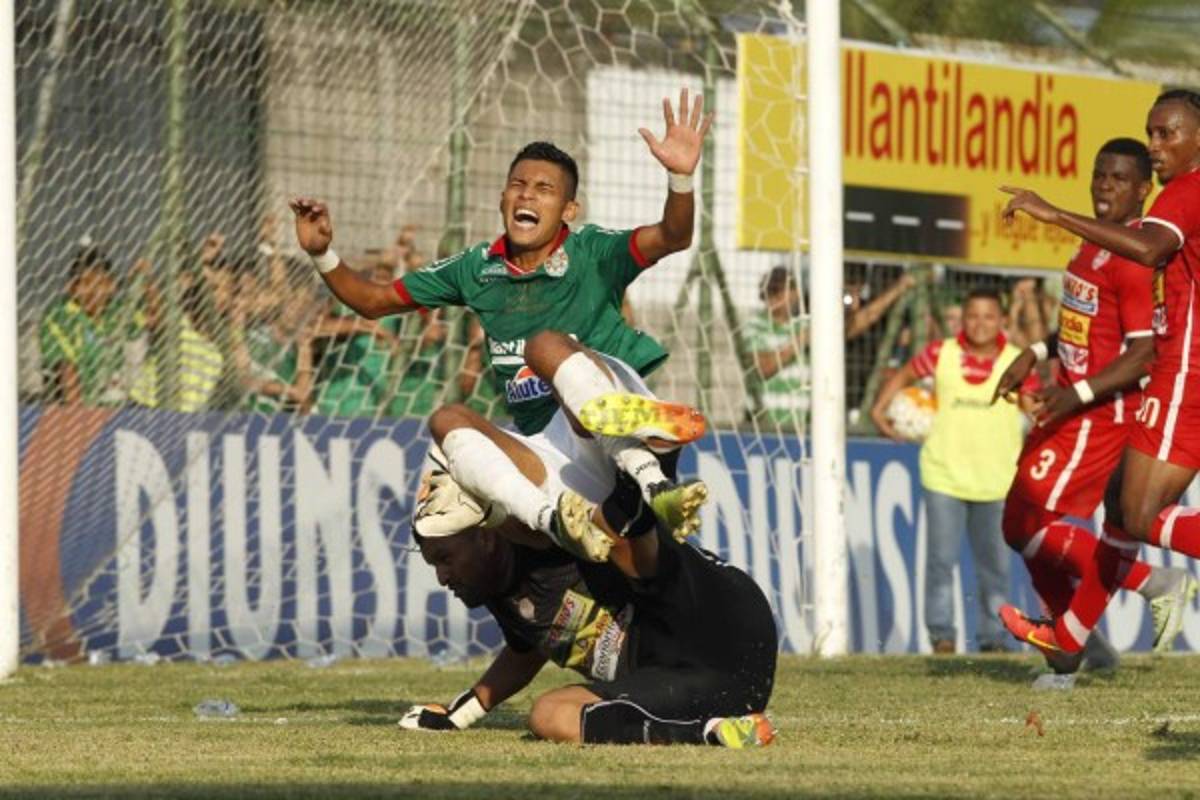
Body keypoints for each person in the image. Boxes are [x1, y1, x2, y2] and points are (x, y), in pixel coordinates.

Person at [291, 89, 714, 541]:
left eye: (544, 189)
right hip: (555, 452)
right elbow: (373, 301)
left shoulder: (593, 250)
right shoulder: (476, 268)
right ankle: (555, 520)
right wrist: (322, 254)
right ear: (501, 199)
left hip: (610, 416)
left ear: (569, 210)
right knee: (446, 421)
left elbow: (673, 236)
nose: (527, 194)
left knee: (544, 347)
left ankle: (649, 464)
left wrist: (680, 178)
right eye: (518, 185)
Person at [998, 89, 1200, 655]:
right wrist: (1038, 350)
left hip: (1181, 374)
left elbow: (1147, 250)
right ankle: (1068, 638)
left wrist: (1055, 214)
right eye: (1151, 133)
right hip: (1177, 371)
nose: (1155, 145)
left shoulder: (1184, 194)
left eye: (1167, 134)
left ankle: (1148, 590)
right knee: (1120, 507)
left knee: (1136, 513)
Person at [401, 446, 777, 748]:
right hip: (701, 686)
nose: (442, 577)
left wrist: (455, 440)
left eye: (445, 559)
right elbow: (526, 650)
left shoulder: (545, 526)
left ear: (485, 536)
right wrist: (461, 712)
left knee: (617, 539)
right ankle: (711, 732)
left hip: (719, 621)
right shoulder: (494, 587)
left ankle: (653, 462)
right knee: (549, 715)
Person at [871, 289, 1035, 653]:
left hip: (997, 481)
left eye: (989, 316)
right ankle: (942, 636)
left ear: (1002, 321)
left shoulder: (1016, 361)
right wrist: (879, 410)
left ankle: (993, 638)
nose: (980, 324)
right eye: (972, 316)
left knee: (995, 567)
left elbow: (1034, 407)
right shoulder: (940, 353)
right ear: (962, 319)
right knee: (940, 563)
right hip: (943, 476)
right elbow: (904, 374)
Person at [38, 246, 140, 406]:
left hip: (119, 406)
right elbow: (66, 369)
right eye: (86, 283)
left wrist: (145, 279)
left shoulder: (119, 310)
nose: (93, 291)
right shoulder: (60, 316)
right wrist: (81, 415)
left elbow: (156, 320)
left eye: (100, 283)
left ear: (112, 286)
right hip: (77, 408)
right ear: (72, 288)